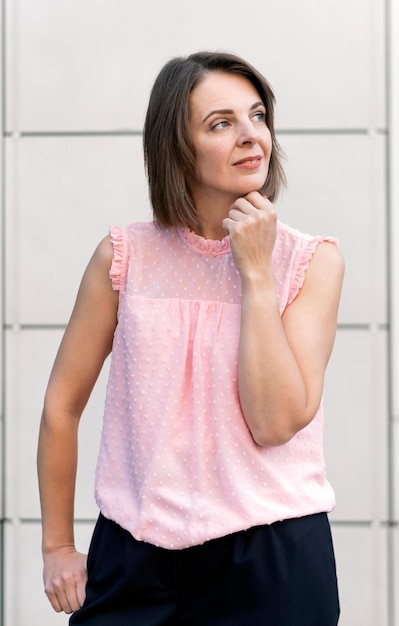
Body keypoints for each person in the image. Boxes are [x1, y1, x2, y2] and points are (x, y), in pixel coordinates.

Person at [37, 51, 344, 625]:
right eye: (221, 123)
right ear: (176, 146)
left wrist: (255, 273)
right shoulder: (123, 256)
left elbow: (275, 421)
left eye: (257, 116)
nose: (252, 136)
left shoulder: (311, 262)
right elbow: (62, 404)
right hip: (133, 556)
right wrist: (57, 546)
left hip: (271, 558)